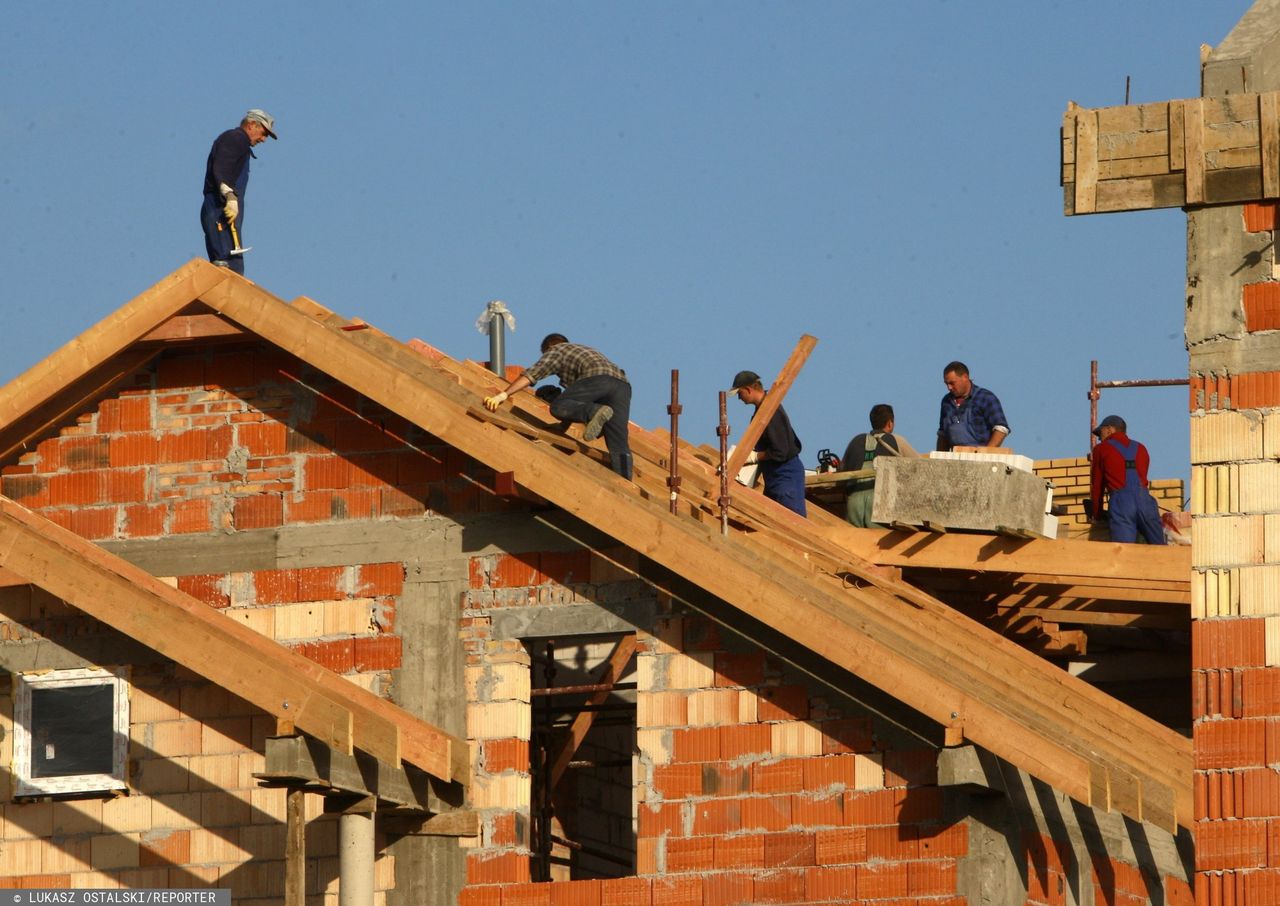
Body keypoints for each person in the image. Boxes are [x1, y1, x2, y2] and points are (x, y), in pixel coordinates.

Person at [483, 334, 633, 479]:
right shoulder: (581, 352)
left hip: (597, 379)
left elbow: (532, 374)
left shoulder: (557, 350)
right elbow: (575, 401)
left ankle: (594, 412)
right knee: (618, 440)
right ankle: (626, 483)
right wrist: (562, 427)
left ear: (548, 348)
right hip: (622, 385)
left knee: (558, 406)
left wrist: (503, 395)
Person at [201, 109, 277, 274]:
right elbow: (220, 167)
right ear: (251, 125)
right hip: (219, 207)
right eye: (263, 133)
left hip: (225, 209)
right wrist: (229, 196)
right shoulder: (235, 138)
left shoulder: (241, 144)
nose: (263, 139)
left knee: (234, 269)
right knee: (224, 266)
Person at [730, 371, 806, 517]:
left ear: (748, 390)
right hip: (774, 476)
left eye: (740, 393)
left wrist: (755, 457)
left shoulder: (770, 411)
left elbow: (780, 451)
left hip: (785, 474)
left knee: (792, 521)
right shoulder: (762, 411)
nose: (739, 398)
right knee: (774, 520)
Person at [1087, 415, 1165, 544]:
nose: (1100, 438)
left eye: (1100, 433)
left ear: (1109, 429)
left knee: (1124, 553)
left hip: (1122, 504)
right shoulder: (1141, 448)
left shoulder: (1101, 449)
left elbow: (1097, 486)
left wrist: (1096, 514)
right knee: (1161, 550)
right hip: (1146, 502)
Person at [841, 403, 920, 528]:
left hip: (854, 504)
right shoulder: (896, 440)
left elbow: (841, 471)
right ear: (890, 423)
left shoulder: (855, 441)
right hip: (880, 505)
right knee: (879, 545)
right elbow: (920, 467)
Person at [936, 361, 1010, 451]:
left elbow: (1001, 429)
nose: (949, 387)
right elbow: (943, 435)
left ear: (965, 377)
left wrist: (986, 453)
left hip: (978, 459)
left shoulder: (985, 398)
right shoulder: (946, 402)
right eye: (946, 384)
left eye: (952, 383)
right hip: (956, 459)